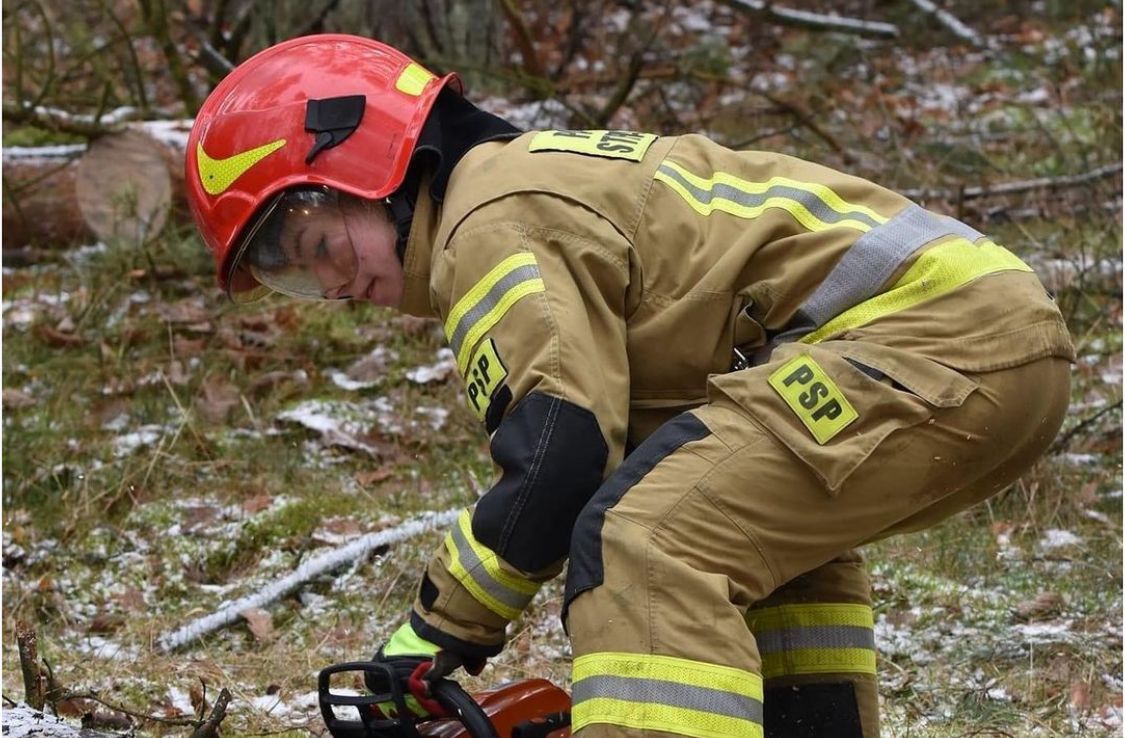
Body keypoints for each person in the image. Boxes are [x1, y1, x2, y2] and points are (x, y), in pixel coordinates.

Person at [185, 34, 1075, 738]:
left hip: (929, 337)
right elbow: (598, 443)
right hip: (978, 338)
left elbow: (557, 456)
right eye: (305, 284)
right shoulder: (529, 185)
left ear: (372, 165)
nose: (336, 287)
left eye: (319, 251)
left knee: (642, 541)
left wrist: (430, 639)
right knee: (746, 546)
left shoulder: (485, 217)